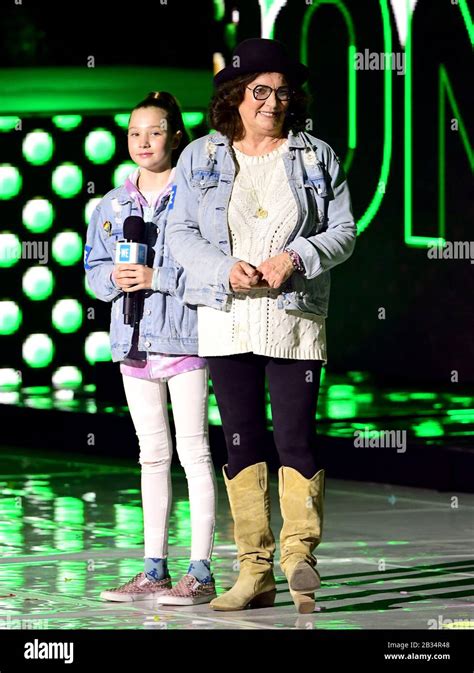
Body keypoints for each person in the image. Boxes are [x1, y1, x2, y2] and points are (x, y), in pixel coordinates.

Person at [167, 39, 356, 614]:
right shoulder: (199, 156)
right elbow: (179, 234)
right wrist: (224, 269)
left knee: (296, 438)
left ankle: (299, 559)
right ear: (235, 97)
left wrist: (294, 257)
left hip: (294, 320)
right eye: (260, 91)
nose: (273, 102)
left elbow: (345, 232)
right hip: (226, 319)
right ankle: (253, 571)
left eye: (281, 91)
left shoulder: (316, 155)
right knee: (241, 439)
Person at [84, 91, 217, 605]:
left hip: (183, 340)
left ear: (176, 136)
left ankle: (201, 571)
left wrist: (157, 276)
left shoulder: (196, 198)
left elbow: (208, 271)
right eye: (135, 133)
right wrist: (115, 279)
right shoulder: (113, 204)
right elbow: (94, 274)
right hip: (134, 343)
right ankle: (154, 568)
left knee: (195, 453)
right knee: (152, 456)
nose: (144, 142)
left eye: (155, 131)